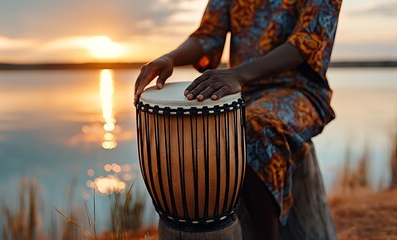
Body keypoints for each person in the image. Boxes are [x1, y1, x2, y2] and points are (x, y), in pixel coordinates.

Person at [134, 0, 342, 239]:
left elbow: (308, 41)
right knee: (202, 120)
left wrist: (238, 74)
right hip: (241, 91)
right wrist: (170, 58)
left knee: (257, 124)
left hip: (299, 91)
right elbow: (209, 34)